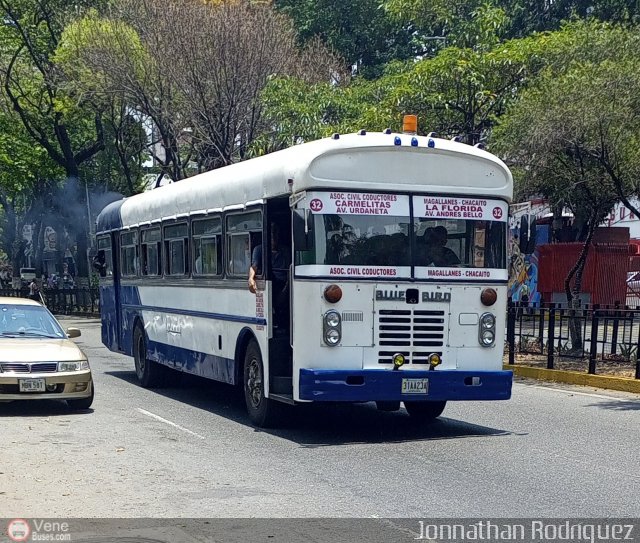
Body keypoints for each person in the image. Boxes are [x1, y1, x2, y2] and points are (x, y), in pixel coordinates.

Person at [248, 224, 291, 328]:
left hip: (285, 282)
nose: (273, 237)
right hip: (271, 283)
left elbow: (290, 267)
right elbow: (254, 266)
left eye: (275, 233)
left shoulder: (285, 250)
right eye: (271, 233)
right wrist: (251, 279)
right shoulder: (259, 250)